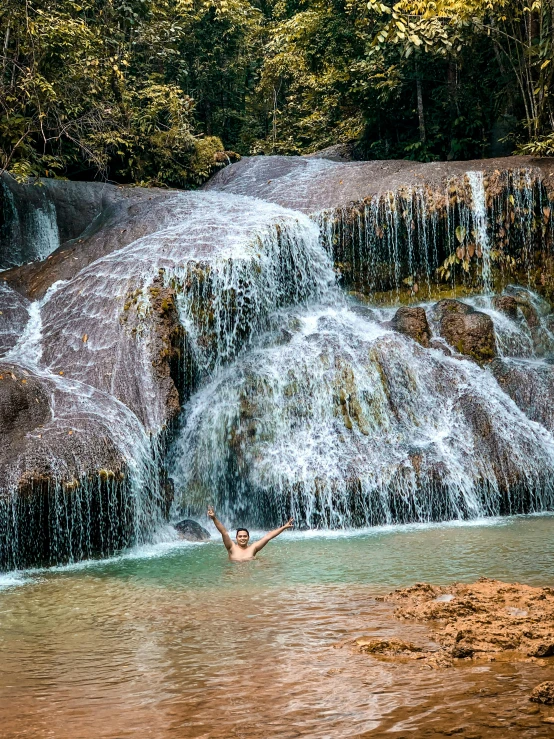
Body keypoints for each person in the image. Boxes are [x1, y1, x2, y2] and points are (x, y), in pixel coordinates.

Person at [207, 506, 293, 561]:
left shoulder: (253, 548)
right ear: (236, 538)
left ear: (248, 537)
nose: (242, 538)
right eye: (240, 536)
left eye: (245, 536)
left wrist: (284, 527)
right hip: (233, 577)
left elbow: (268, 537)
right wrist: (214, 518)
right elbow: (224, 532)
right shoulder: (231, 547)